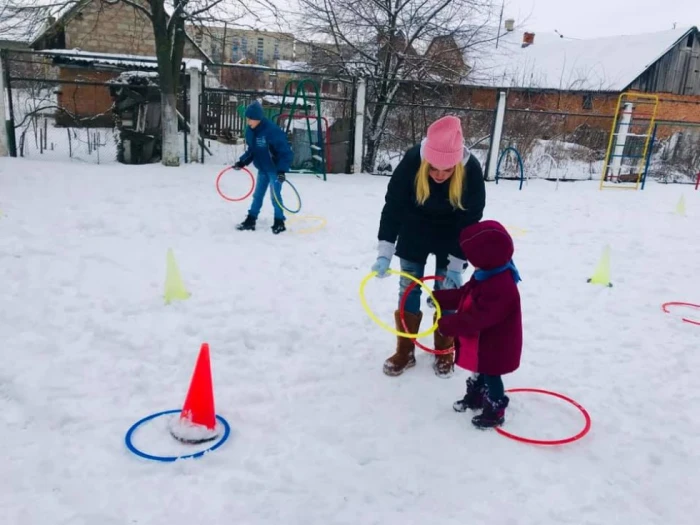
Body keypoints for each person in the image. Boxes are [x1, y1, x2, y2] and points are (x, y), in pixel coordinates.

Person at [371, 115, 486, 378]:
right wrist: (385, 252)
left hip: (453, 232)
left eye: (447, 171)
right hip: (414, 228)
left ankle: (444, 350)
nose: (439, 175)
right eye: (433, 169)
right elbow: (393, 208)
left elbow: (471, 218)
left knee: (447, 292)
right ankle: (405, 350)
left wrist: (458, 263)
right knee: (408, 288)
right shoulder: (412, 160)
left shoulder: (471, 170)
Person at [433, 220, 523, 429]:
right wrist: (440, 298)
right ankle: (475, 396)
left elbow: (479, 317)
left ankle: (495, 408)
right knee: (480, 369)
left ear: (485, 256)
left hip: (496, 343)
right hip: (484, 340)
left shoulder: (501, 285)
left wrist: (449, 324)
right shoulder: (487, 272)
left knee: (491, 374)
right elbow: (467, 294)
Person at [235, 100, 294, 235]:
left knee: (275, 197)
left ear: (258, 118)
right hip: (262, 169)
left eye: (250, 118)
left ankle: (279, 222)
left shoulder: (272, 131)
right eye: (247, 118)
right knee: (257, 196)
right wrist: (242, 162)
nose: (248, 121)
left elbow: (285, 152)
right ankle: (251, 220)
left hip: (274, 170)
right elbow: (252, 150)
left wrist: (281, 170)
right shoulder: (250, 131)